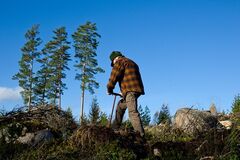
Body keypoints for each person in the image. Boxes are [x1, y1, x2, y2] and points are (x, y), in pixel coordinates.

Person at [107, 51, 145, 137]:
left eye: (113, 62)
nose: (113, 64)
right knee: (120, 106)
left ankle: (141, 136)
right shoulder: (132, 62)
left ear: (115, 59)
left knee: (132, 112)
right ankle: (114, 129)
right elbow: (129, 78)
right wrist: (123, 92)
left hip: (130, 91)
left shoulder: (119, 62)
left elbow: (114, 77)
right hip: (136, 90)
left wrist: (109, 89)